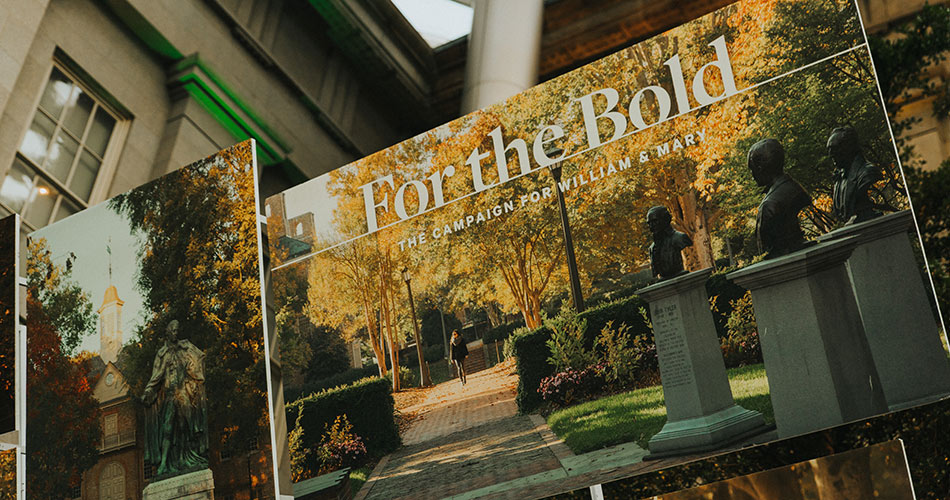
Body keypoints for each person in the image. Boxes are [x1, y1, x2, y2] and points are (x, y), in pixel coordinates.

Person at [142, 319, 210, 477]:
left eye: (177, 331)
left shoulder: (185, 349)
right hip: (171, 395)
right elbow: (156, 376)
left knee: (184, 428)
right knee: (167, 429)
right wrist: (148, 391)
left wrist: (193, 373)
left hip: (183, 394)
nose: (175, 333)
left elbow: (198, 361)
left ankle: (181, 460)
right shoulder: (162, 354)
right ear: (167, 332)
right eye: (173, 330)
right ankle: (164, 463)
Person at [747, 138, 811, 258]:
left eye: (752, 169)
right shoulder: (794, 187)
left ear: (760, 168)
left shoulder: (771, 205)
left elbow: (766, 245)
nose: (752, 175)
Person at [827, 126, 883, 224]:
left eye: (834, 149)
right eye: (829, 150)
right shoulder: (839, 179)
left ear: (849, 148)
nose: (830, 154)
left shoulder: (867, 172)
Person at [646, 205, 692, 280]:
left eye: (655, 221)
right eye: (649, 223)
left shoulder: (680, 238)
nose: (651, 226)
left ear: (666, 219)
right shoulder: (652, 248)